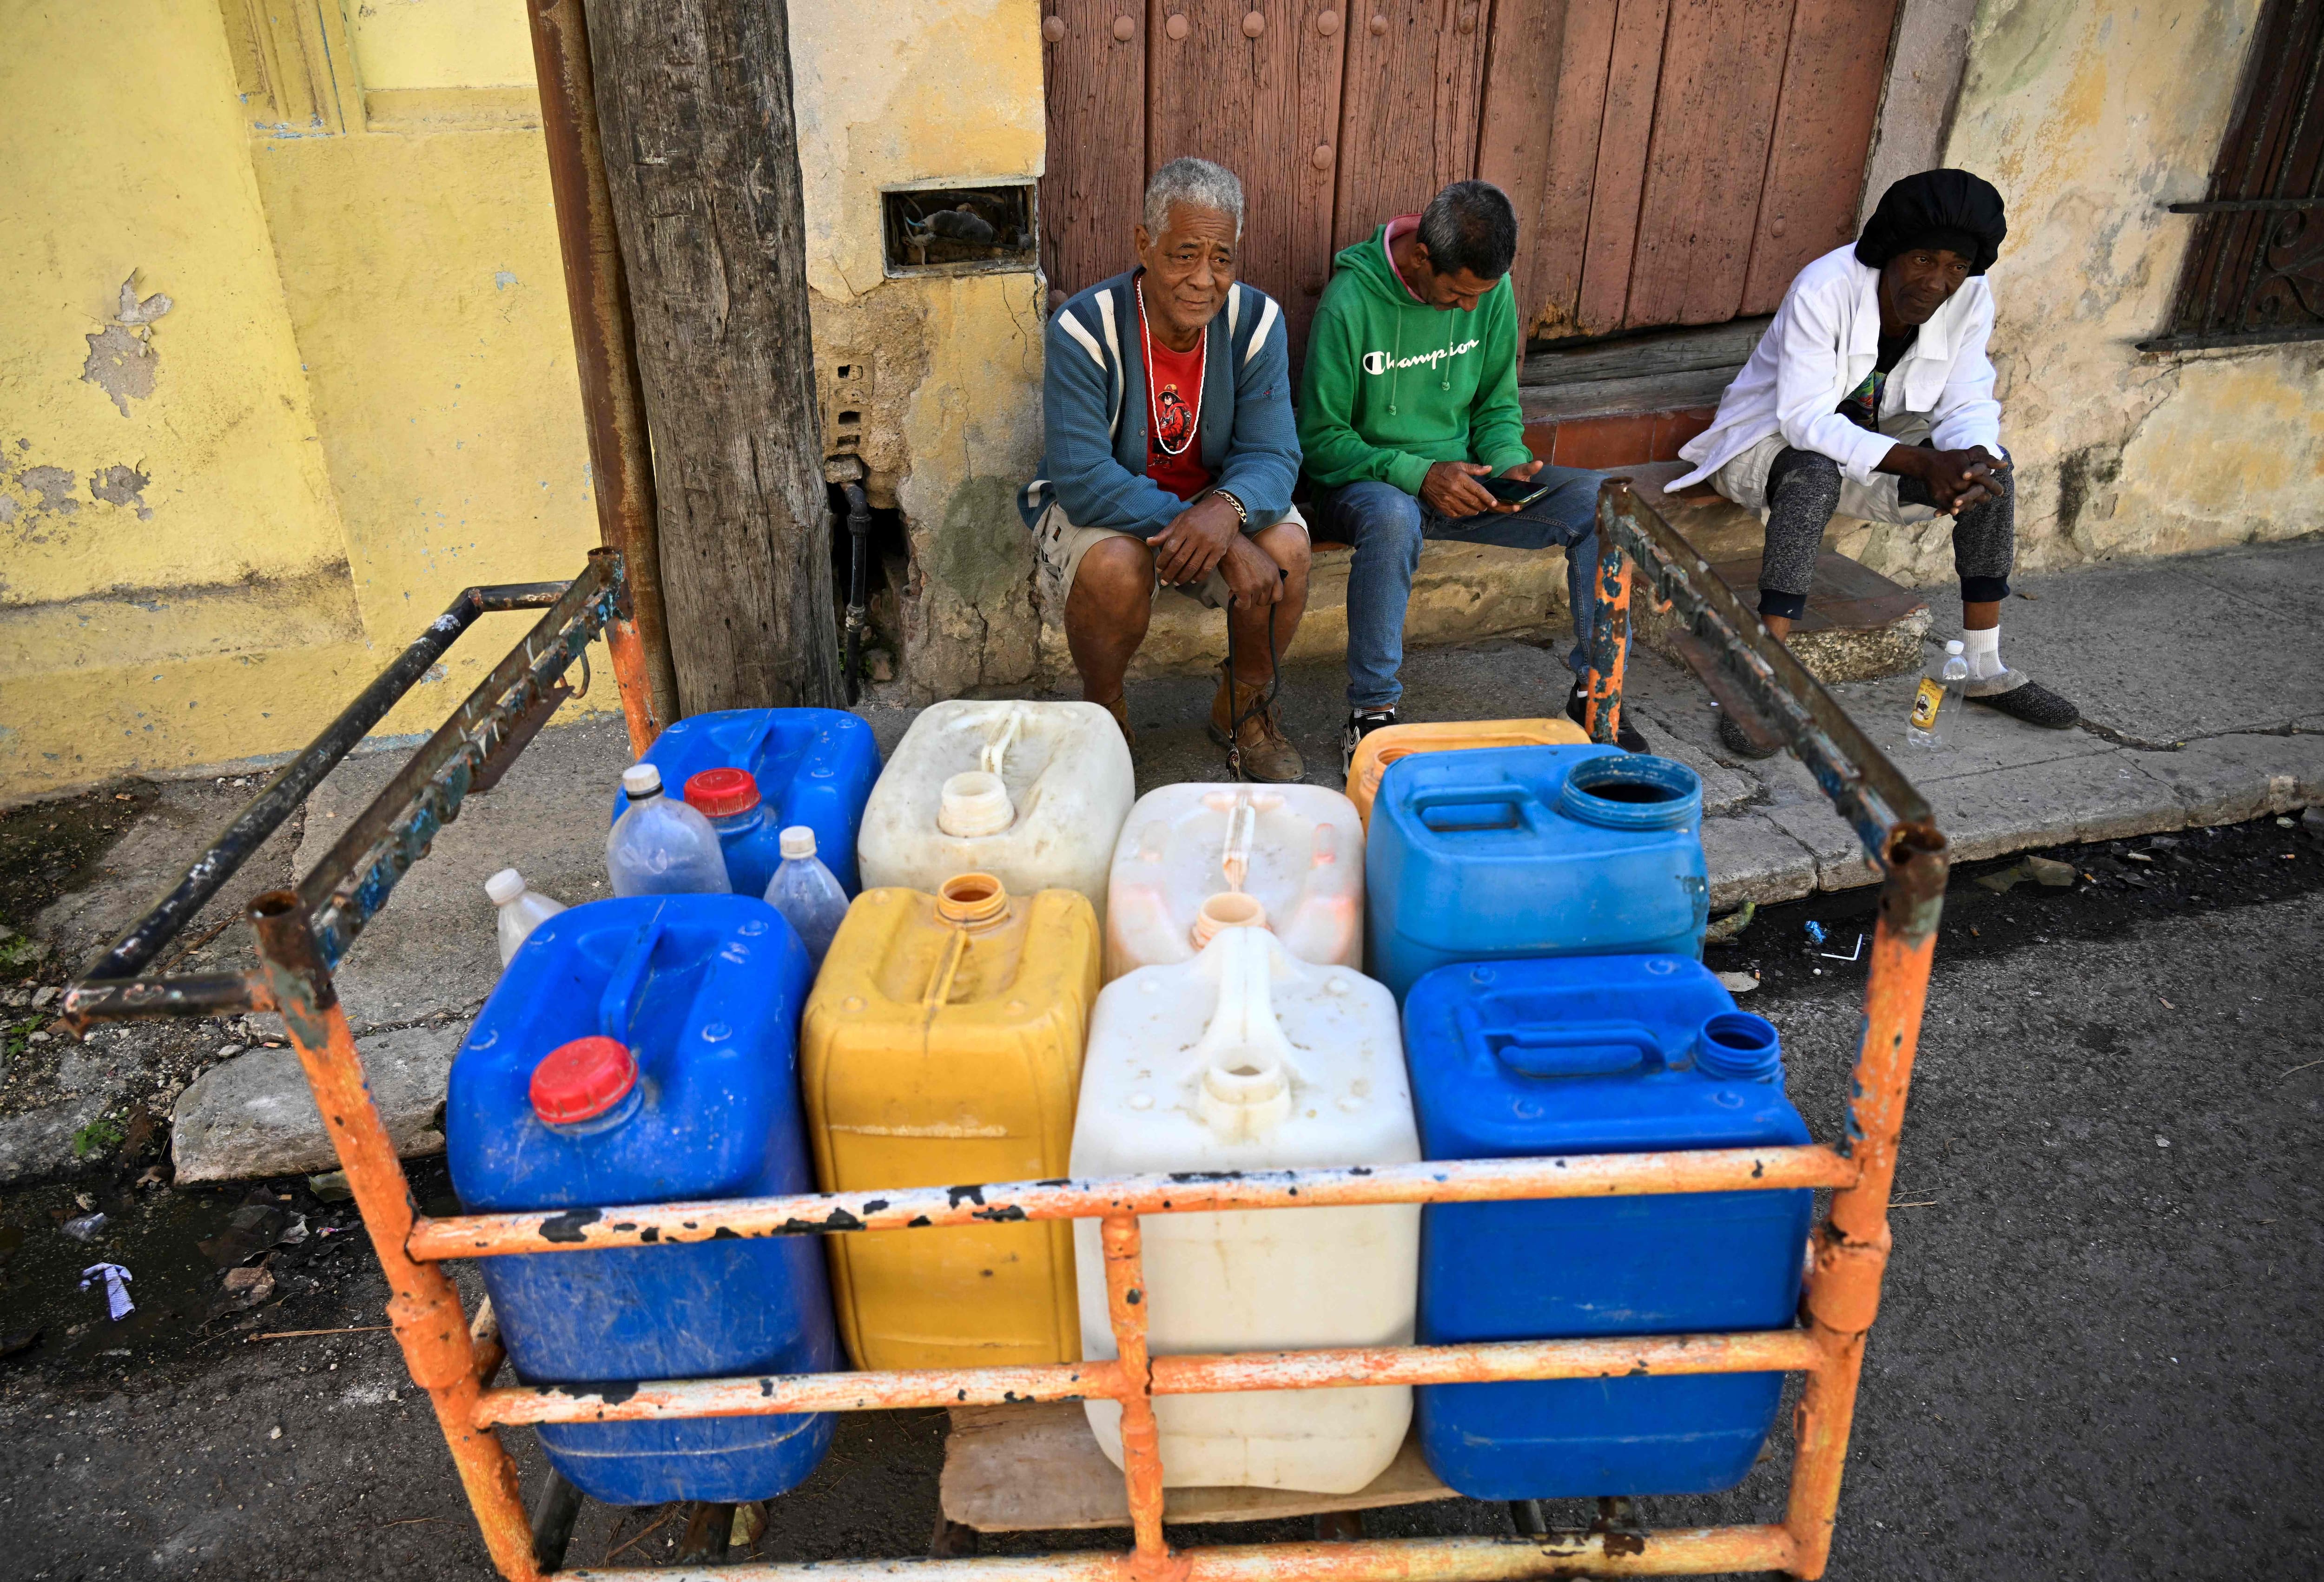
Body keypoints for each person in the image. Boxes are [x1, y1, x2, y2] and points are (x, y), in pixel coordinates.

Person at [1670, 167, 2078, 758]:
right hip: (1767, 448)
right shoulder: (1823, 287)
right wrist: (1919, 462)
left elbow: (1966, 398)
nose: (1938, 283)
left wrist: (1968, 462)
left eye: (1955, 267)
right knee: (1812, 472)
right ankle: (1759, 676)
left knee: (1995, 470)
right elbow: (1804, 419)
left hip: (1877, 451)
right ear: (1891, 250)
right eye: (1923, 262)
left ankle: (1984, 665)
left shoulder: (1970, 298)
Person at [1298, 179, 1638, 771]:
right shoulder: (1348, 302)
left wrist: (1508, 462)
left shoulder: (1491, 290)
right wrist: (1419, 473)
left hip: (1466, 482)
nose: (1470, 309)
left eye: (1481, 294)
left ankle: (1596, 695)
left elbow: (1495, 406)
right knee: (1391, 515)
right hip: (1365, 485)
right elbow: (1320, 441)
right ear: (1421, 258)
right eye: (1457, 294)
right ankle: (1371, 713)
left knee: (1602, 505)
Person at [1020, 158, 1308, 781]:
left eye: (1223, 258)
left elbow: (1275, 455)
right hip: (1109, 510)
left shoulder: (1256, 323)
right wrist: (1210, 532)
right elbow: (1085, 479)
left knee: (1287, 547)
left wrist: (1225, 514)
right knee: (1115, 568)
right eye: (1185, 255)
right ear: (1144, 245)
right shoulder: (1085, 328)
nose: (1205, 279)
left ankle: (1244, 707)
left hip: (1212, 503)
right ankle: (1104, 715)